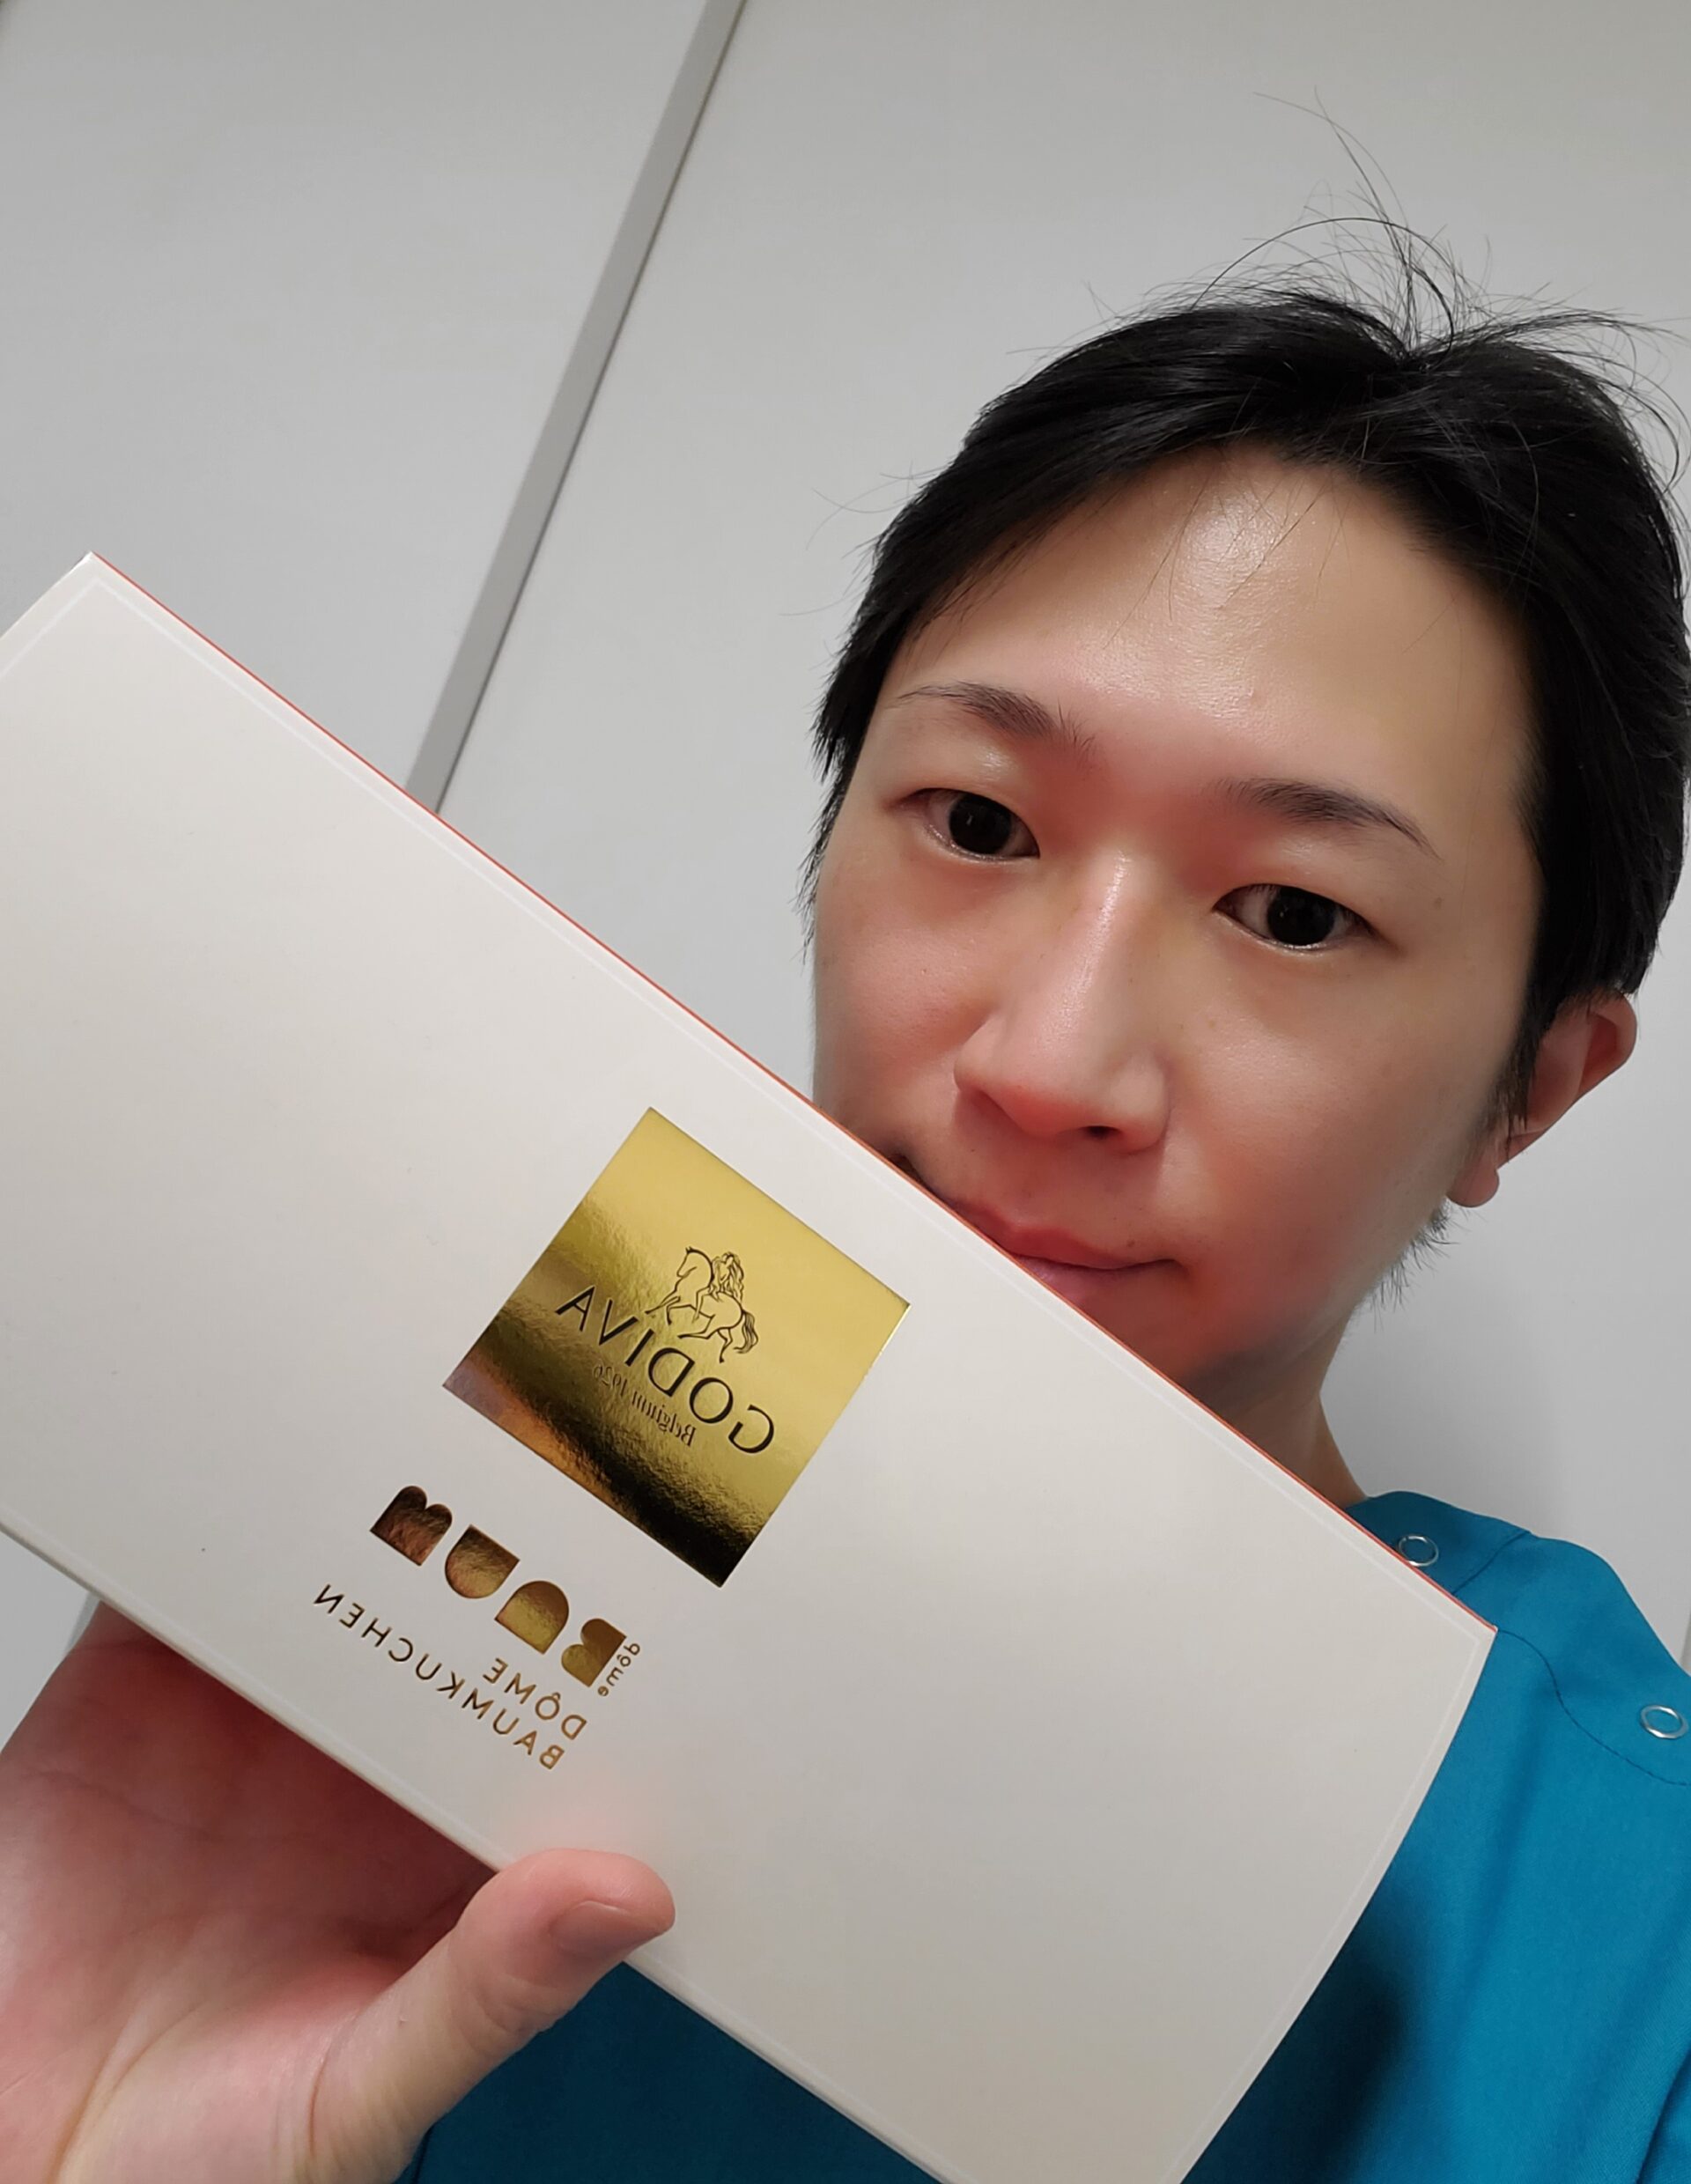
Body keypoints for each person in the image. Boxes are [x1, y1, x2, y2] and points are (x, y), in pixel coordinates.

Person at [4, 257, 1690, 2184]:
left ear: (1536, 1082)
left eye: (1295, 912)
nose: (1049, 1062)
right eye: (979, 823)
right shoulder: (518, 1424)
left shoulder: (1622, 1918)